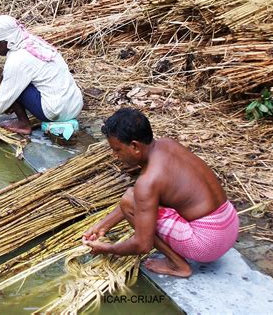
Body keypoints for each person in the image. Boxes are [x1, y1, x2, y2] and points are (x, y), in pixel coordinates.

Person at [82, 108, 239, 277]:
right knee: (134, 196)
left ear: (135, 146)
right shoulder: (168, 144)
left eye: (117, 150)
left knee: (130, 199)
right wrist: (103, 226)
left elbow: (142, 245)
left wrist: (108, 249)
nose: (115, 155)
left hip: (207, 244)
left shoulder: (148, 181)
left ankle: (178, 265)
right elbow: (147, 198)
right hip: (230, 224)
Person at [0, 15, 83, 135]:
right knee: (15, 80)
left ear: (7, 41)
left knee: (8, 82)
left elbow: (3, 98)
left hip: (55, 112)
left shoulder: (18, 59)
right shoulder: (31, 40)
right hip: (75, 105)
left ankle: (23, 124)